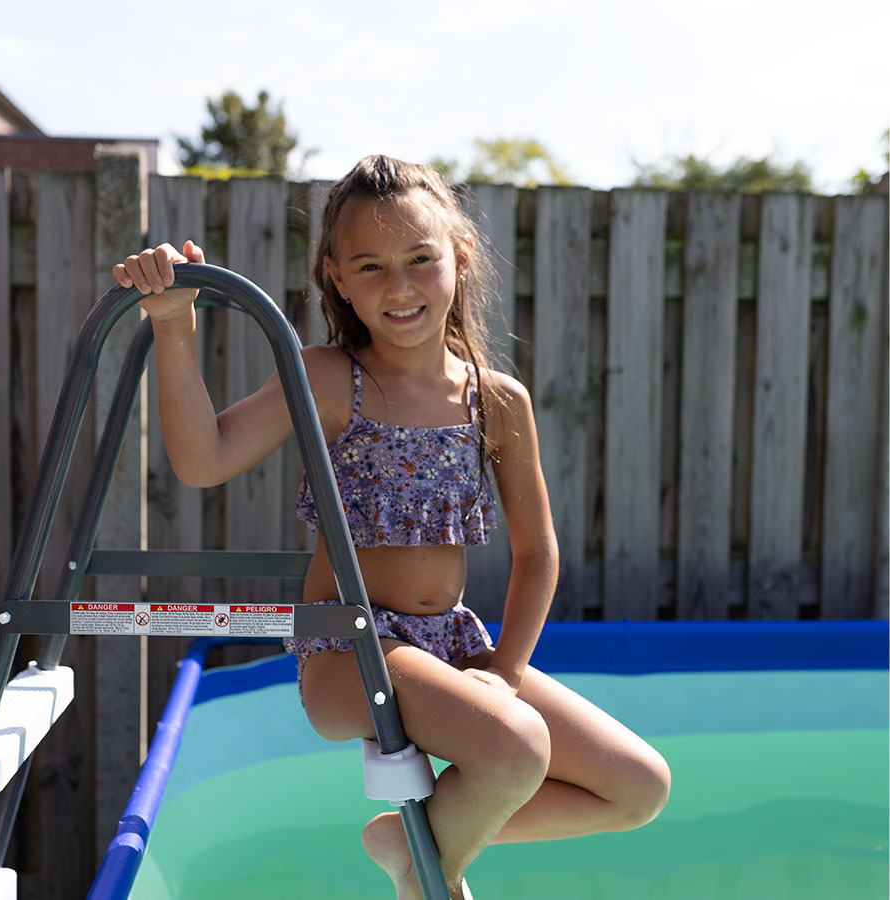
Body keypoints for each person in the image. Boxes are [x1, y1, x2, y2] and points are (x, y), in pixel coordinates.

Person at [114, 155, 670, 900]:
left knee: (638, 785)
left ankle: (417, 840)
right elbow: (203, 460)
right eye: (370, 267)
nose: (400, 286)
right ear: (337, 278)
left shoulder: (498, 400)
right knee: (517, 747)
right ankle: (425, 859)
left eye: (420, 259)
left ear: (461, 254)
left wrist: (502, 672)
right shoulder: (327, 378)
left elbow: (538, 554)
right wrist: (173, 322)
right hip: (350, 645)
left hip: (455, 645)